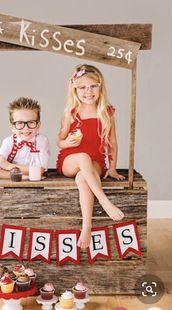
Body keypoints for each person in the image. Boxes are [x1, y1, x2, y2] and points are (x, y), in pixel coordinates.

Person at [56, 64, 125, 249]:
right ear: (74, 89)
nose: (88, 91)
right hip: (70, 159)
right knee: (83, 158)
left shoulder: (107, 112)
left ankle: (86, 226)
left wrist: (111, 167)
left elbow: (112, 142)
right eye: (82, 87)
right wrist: (67, 143)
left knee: (83, 179)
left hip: (95, 162)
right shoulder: (71, 113)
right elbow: (60, 141)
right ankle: (104, 201)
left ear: (100, 86)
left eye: (93, 86)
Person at [0, 97, 50, 178]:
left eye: (31, 122)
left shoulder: (41, 141)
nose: (25, 128)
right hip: (11, 185)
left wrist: (8, 166)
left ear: (38, 125)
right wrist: (22, 176)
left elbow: (39, 170)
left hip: (35, 185)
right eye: (20, 123)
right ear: (12, 127)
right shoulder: (8, 142)